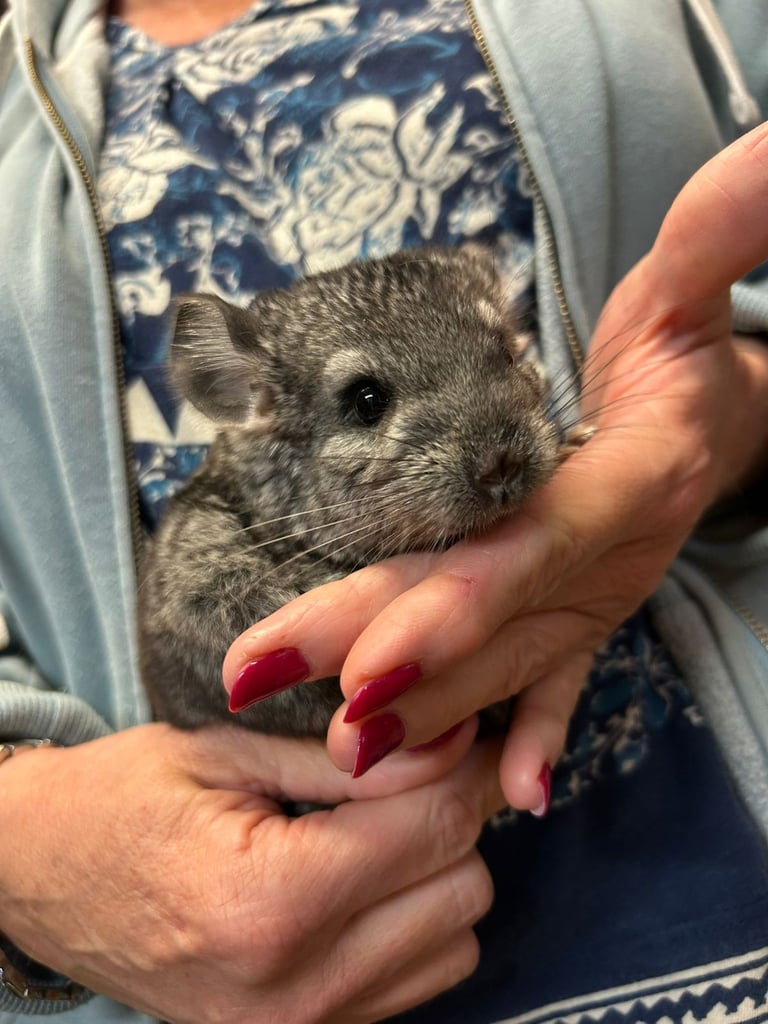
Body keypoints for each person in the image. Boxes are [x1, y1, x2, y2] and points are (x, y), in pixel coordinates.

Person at [2, 1, 768, 1022]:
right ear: (245, 397)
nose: (496, 455)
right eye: (369, 400)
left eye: (504, 353)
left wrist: (725, 419)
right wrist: (24, 850)